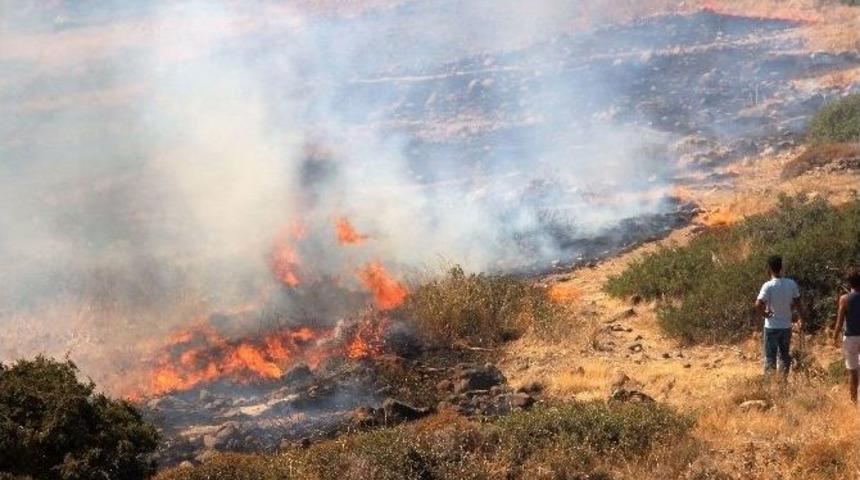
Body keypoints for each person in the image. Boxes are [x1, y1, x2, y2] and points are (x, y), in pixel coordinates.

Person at [755, 255, 800, 376]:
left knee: (770, 357)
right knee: (784, 356)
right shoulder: (791, 284)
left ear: (769, 268)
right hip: (786, 326)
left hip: (771, 327)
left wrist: (765, 314)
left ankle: (770, 385)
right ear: (781, 267)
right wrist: (800, 317)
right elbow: (798, 302)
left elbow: (758, 304)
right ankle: (782, 384)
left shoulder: (768, 286)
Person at [833, 271, 860, 404]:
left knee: (853, 371)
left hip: (850, 337)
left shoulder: (844, 299)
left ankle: (853, 400)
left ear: (850, 283)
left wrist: (834, 337)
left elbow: (839, 321)